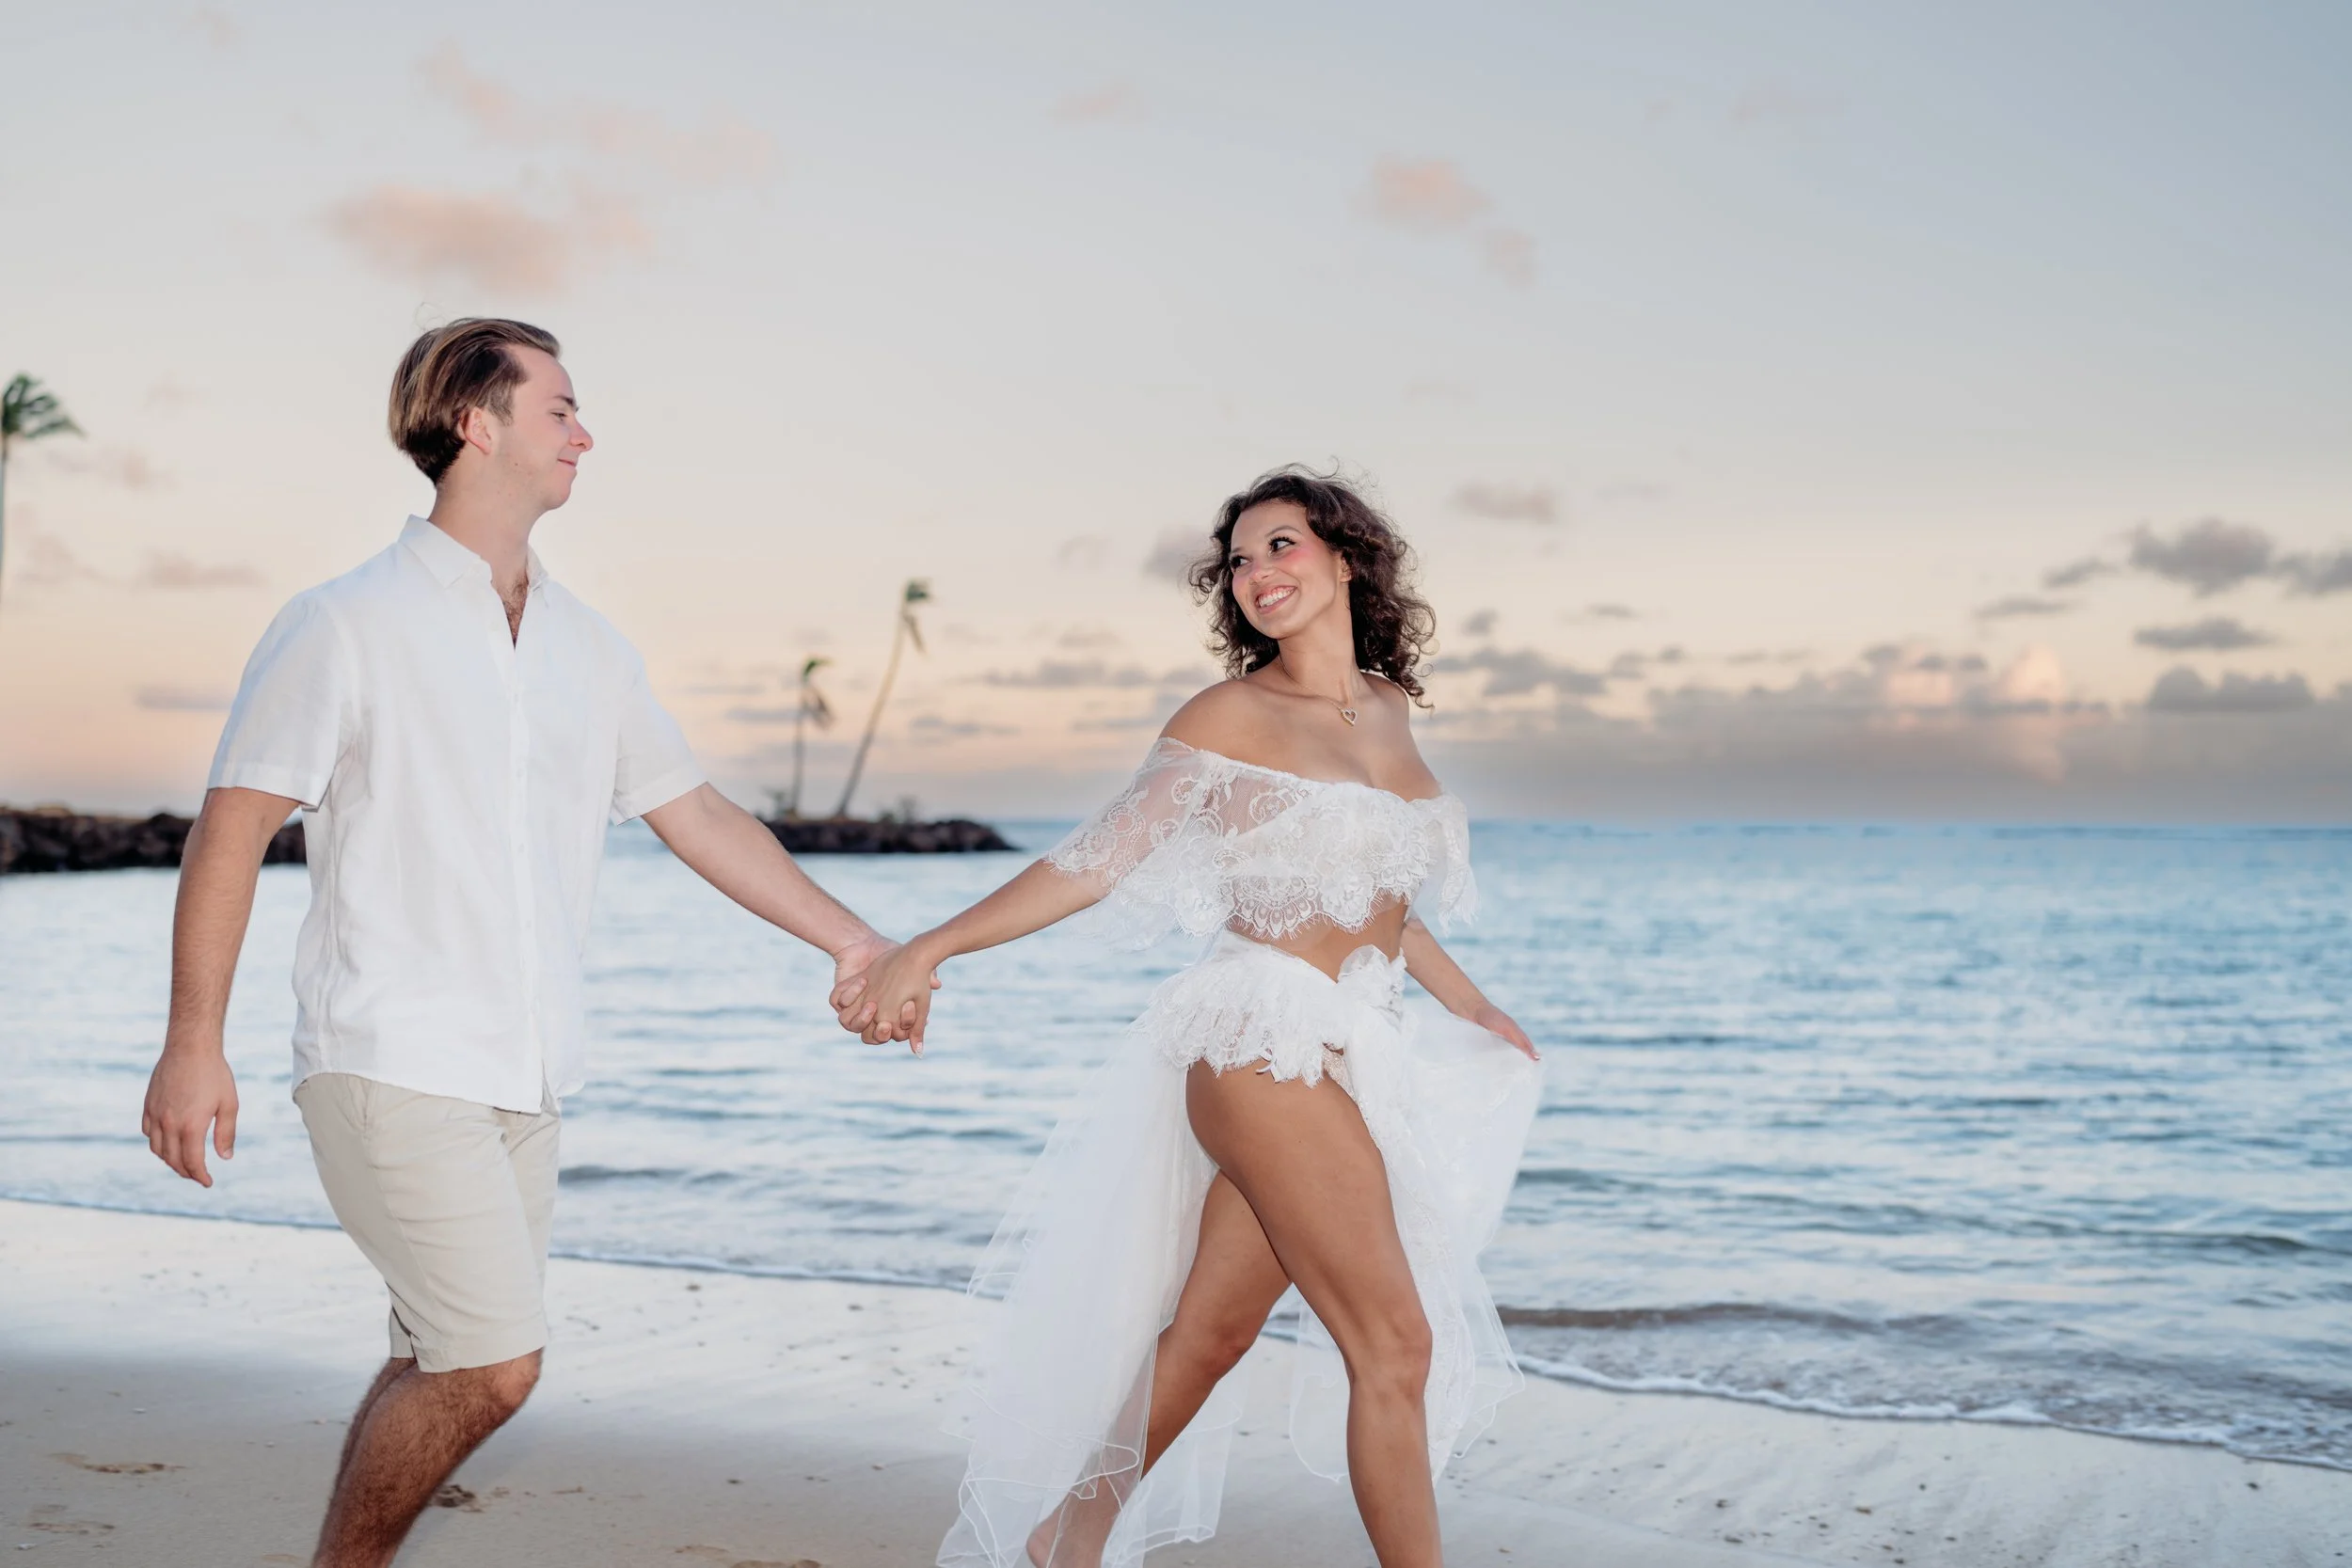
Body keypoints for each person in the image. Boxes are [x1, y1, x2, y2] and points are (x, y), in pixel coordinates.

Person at [138, 318, 910, 1568]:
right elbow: (232, 829)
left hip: (531, 1069)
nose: (585, 433)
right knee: (495, 1363)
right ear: (476, 423)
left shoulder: (588, 644)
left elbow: (698, 813)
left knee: (437, 1351)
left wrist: (854, 937)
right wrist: (191, 1043)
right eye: (560, 408)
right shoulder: (343, 621)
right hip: (389, 1050)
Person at [836, 467, 1545, 1568]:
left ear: (1346, 558)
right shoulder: (1229, 714)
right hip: (1257, 1042)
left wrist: (1473, 1003)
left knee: (1211, 1335)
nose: (1256, 573)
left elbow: (1381, 906)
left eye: (1281, 546)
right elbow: (1097, 857)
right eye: (1241, 558)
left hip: (1352, 1046)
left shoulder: (1387, 706)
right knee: (1394, 1344)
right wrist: (931, 945)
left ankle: (1063, 1539)